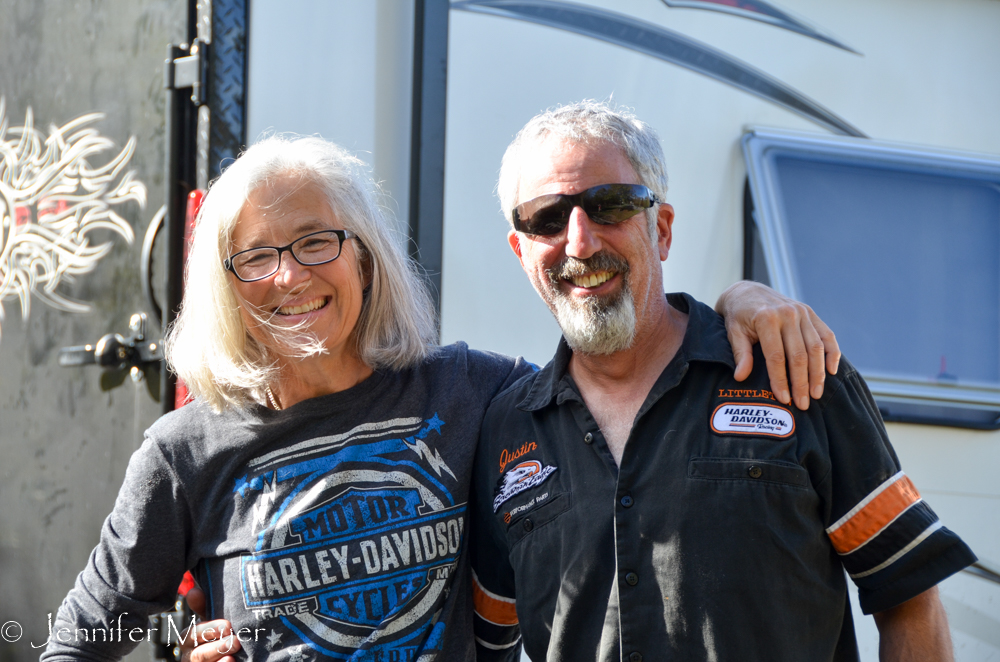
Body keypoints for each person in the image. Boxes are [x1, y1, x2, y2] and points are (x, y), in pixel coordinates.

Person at [40, 135, 833, 662]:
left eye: (317, 241)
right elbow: (81, 637)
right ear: (225, 287)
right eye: (255, 257)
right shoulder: (185, 450)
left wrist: (742, 301)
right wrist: (174, 641)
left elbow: (618, 366)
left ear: (367, 258)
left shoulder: (473, 390)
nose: (290, 276)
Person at [469, 101, 977, 661]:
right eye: (547, 218)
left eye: (609, 205)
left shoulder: (793, 370)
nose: (580, 242)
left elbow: (909, 597)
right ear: (522, 252)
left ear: (660, 230)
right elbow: (489, 640)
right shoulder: (504, 429)